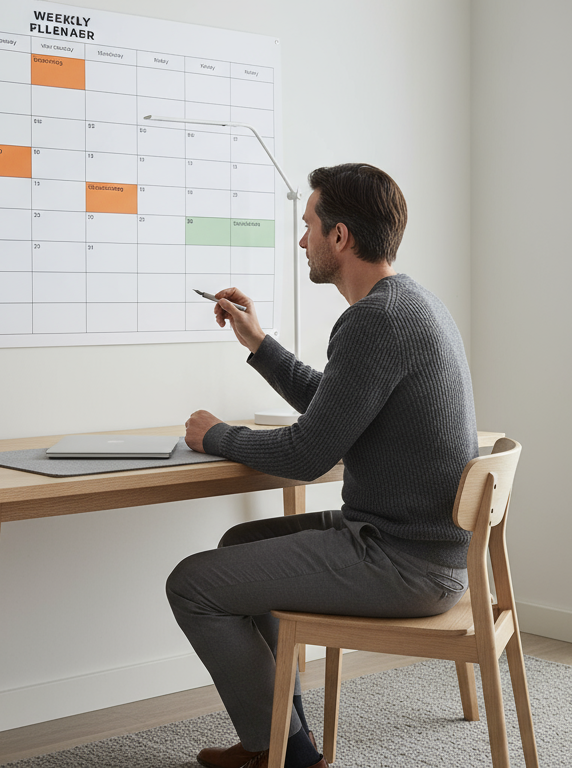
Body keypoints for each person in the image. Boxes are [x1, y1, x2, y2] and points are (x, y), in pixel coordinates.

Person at [167, 163, 479, 768]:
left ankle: (287, 756)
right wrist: (260, 343)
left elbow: (309, 454)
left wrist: (217, 435)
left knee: (193, 584)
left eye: (308, 224)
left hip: (401, 562)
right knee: (236, 545)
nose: (301, 239)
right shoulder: (412, 304)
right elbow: (337, 405)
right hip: (418, 549)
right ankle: (281, 742)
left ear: (341, 237)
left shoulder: (375, 319)